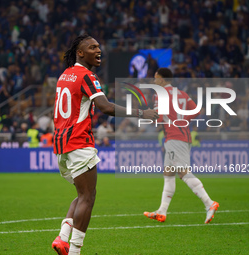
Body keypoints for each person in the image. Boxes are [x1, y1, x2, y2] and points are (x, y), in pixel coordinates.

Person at [52, 34, 159, 255]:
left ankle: (62, 237)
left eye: (99, 47)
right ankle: (74, 251)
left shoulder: (65, 75)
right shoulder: (87, 75)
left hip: (62, 146)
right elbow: (106, 107)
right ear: (80, 52)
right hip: (79, 143)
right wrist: (143, 113)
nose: (98, 50)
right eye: (92, 47)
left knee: (82, 194)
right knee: (88, 197)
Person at [144, 68, 219, 224]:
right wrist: (182, 119)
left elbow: (158, 115)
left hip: (174, 137)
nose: (154, 81)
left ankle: (209, 203)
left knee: (183, 173)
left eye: (155, 78)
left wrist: (146, 117)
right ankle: (162, 211)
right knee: (169, 173)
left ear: (162, 80)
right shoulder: (182, 93)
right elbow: (197, 110)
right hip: (180, 135)